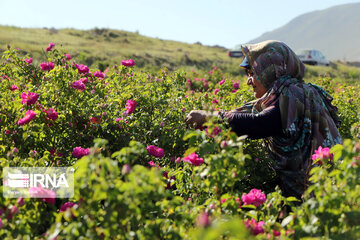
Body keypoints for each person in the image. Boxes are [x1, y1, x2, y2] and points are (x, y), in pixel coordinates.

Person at [185, 40, 342, 199]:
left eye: (253, 73)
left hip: (321, 194)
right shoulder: (286, 93)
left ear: (270, 70)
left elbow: (261, 124)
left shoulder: (293, 94)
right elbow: (249, 114)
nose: (248, 81)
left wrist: (209, 118)